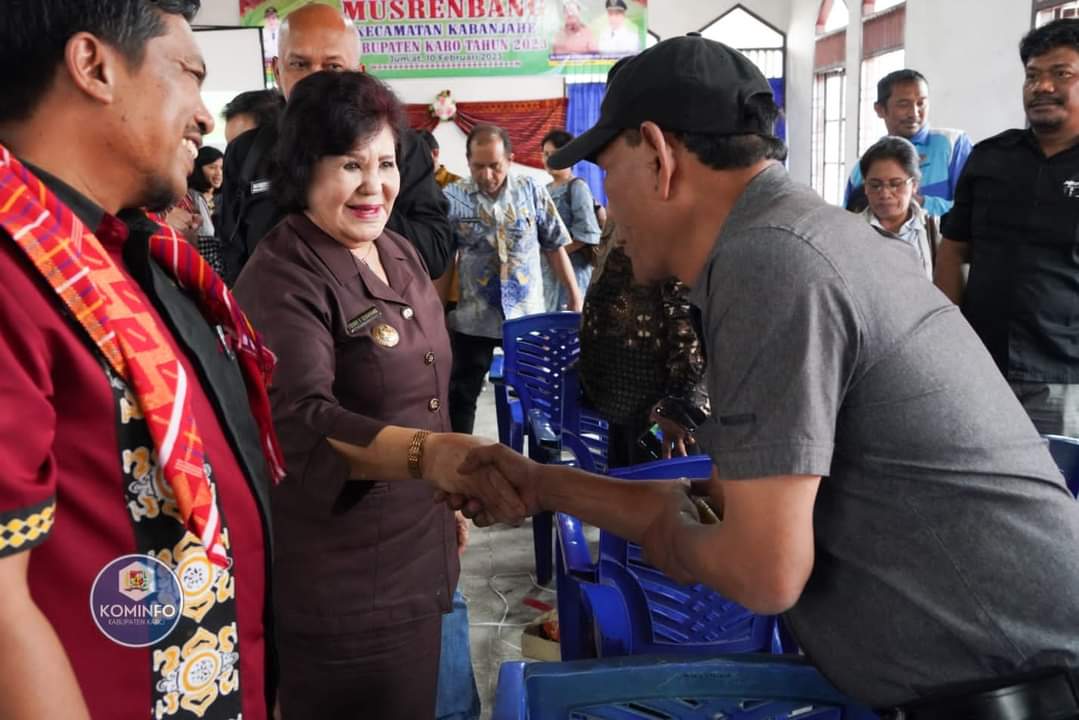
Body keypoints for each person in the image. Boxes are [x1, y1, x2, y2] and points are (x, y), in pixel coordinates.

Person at [453, 35, 1079, 717]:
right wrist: (541, 483)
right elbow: (722, 502)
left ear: (659, 156)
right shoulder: (784, 239)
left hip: (1022, 693)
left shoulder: (769, 264)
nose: (613, 211)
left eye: (608, 171)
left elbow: (762, 571)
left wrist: (673, 542)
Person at [0, 1, 287, 718]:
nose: (204, 116)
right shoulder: (15, 273)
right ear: (94, 67)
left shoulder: (125, 252)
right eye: (188, 74)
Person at [232, 70, 518, 720]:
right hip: (345, 581)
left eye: (385, 163)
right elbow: (300, 421)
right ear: (303, 169)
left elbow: (423, 391)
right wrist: (430, 457)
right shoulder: (283, 274)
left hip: (422, 552)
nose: (373, 185)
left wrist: (441, 499)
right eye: (349, 164)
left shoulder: (397, 253)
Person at [219, 2, 451, 285]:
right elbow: (232, 253)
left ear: (358, 73)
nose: (316, 79)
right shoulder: (246, 152)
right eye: (299, 64)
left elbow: (435, 252)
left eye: (333, 67)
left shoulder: (401, 147)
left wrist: (362, 204)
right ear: (277, 71)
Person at [937, 19, 1079, 437]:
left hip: (1065, 379)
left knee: (1057, 477)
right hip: (981, 366)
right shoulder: (990, 158)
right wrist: (947, 337)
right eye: (1032, 76)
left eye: (1061, 73)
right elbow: (953, 250)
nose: (1042, 86)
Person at [443, 124, 582, 434]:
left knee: (536, 397)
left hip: (526, 317)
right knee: (461, 395)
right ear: (468, 162)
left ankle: (536, 460)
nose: (487, 175)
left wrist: (574, 295)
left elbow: (554, 246)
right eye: (478, 166)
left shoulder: (531, 190)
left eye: (495, 166)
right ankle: (459, 458)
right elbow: (447, 262)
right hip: (474, 319)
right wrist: (438, 311)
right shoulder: (452, 197)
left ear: (510, 159)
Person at [579, 219, 709, 467]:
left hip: (660, 413)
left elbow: (692, 330)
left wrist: (678, 406)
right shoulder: (624, 217)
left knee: (666, 485)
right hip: (620, 401)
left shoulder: (670, 227)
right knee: (624, 483)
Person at [845, 70, 972, 216]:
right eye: (903, 105)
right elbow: (848, 220)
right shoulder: (863, 168)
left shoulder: (954, 145)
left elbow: (973, 210)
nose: (914, 113)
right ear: (880, 109)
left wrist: (920, 203)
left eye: (921, 103)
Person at [859, 136, 938, 279]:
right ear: (865, 187)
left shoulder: (934, 230)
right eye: (875, 185)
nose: (885, 194)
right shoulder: (850, 231)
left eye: (895, 184)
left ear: (914, 185)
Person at [541, 129, 602, 310]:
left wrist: (555, 255)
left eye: (554, 154)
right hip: (549, 275)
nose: (548, 159)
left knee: (569, 321)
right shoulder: (544, 190)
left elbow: (586, 234)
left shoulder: (577, 187)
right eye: (545, 154)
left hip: (574, 271)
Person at [169, 145, 226, 273]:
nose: (219, 173)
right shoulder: (189, 197)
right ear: (198, 169)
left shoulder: (227, 198)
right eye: (212, 167)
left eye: (222, 168)